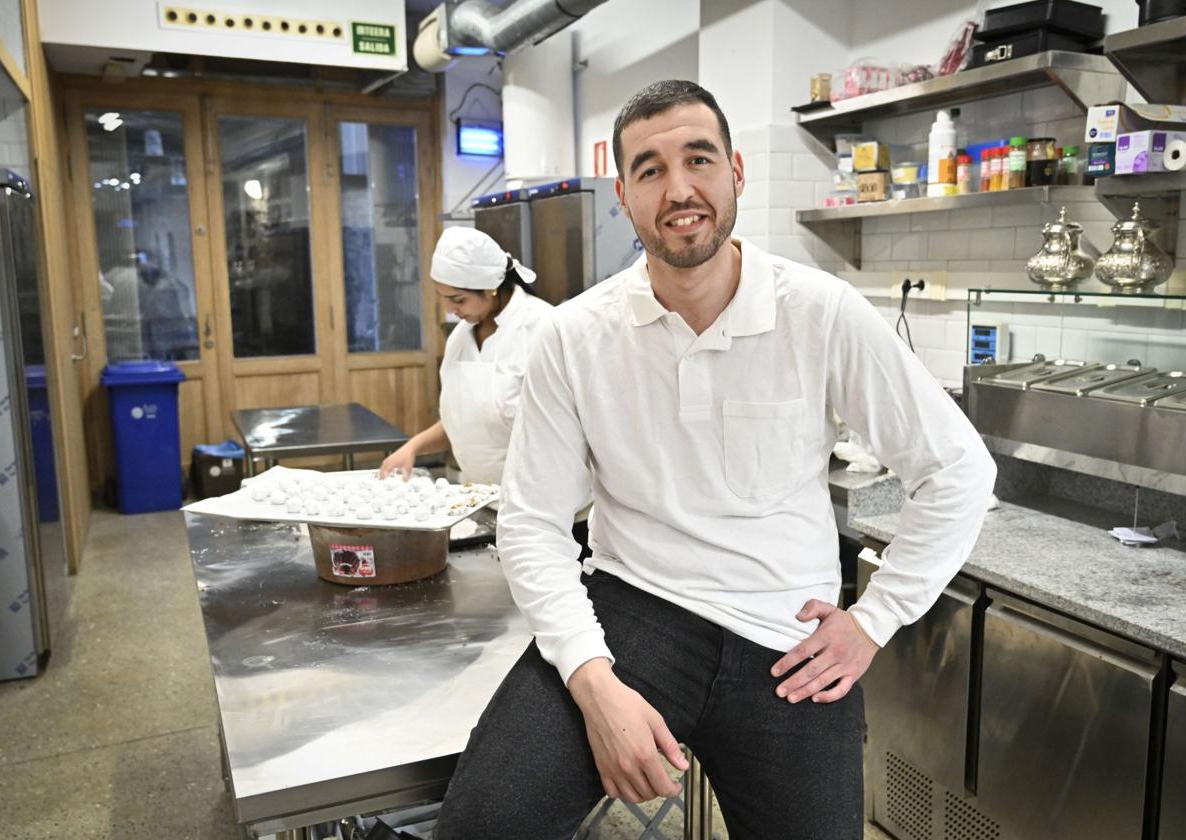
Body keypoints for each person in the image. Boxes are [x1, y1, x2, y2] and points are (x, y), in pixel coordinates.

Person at [435, 80, 996, 839]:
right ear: (625, 199)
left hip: (785, 633)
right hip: (633, 609)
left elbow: (959, 470)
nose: (679, 189)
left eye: (698, 158)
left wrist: (874, 621)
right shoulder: (576, 337)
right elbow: (533, 523)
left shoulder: (819, 311)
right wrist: (594, 684)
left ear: (736, 171)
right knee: (483, 823)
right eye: (650, 170)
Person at [378, 227, 549, 484]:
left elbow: (564, 431)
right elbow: (464, 423)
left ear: (490, 288)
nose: (449, 310)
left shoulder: (542, 328)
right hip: (485, 496)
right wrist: (412, 447)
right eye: (443, 298)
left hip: (543, 499)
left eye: (458, 299)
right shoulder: (461, 336)